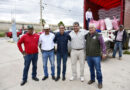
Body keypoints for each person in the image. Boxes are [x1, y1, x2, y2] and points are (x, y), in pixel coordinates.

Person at [85, 24, 106, 89]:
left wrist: (104, 53)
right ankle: (92, 79)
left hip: (96, 56)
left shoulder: (99, 36)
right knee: (91, 69)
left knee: (98, 70)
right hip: (89, 56)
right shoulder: (87, 35)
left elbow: (103, 45)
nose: (90, 29)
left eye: (92, 28)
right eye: (89, 28)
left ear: (95, 28)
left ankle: (100, 82)